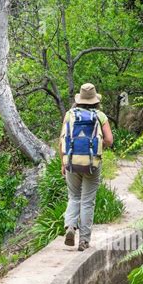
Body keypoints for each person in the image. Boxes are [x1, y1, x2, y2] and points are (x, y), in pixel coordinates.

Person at [59, 83, 113, 251]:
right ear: (95, 100)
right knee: (88, 201)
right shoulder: (100, 115)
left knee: (74, 197)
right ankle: (84, 240)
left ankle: (70, 226)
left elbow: (62, 139)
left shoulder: (70, 114)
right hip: (92, 163)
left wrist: (63, 162)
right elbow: (110, 140)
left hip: (72, 162)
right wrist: (96, 145)